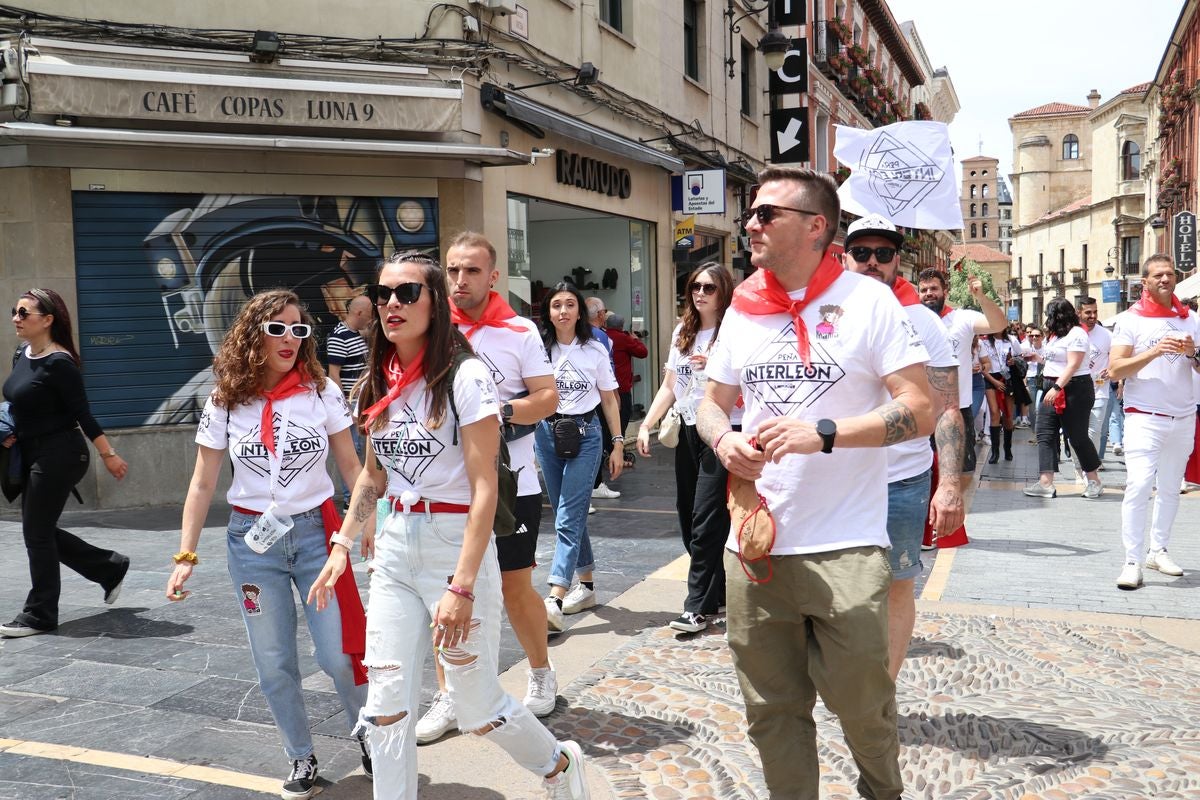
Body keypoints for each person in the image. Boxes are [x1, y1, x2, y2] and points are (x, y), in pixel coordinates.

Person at [307, 253, 591, 799]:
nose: (391, 303)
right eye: (383, 292)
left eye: (407, 293)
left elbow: (485, 487)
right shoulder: (377, 378)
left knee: (476, 706)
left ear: (435, 304)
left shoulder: (468, 376)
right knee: (386, 703)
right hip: (393, 547)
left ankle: (558, 766)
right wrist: (343, 542)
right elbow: (372, 475)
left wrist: (461, 586)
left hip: (454, 548)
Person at [698, 166, 934, 798]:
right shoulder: (744, 308)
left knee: (863, 707)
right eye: (751, 213)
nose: (750, 223)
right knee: (772, 712)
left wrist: (823, 433)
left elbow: (920, 408)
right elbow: (711, 402)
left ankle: (882, 790)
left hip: (847, 547)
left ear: (814, 227)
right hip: (755, 547)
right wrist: (724, 440)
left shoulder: (868, 302)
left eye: (766, 213)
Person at [166, 289, 369, 799]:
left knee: (338, 654)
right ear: (254, 332)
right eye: (277, 328)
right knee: (274, 660)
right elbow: (202, 483)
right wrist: (186, 554)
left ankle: (370, 733)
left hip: (317, 536)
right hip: (251, 543)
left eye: (298, 330)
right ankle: (300, 756)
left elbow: (351, 467)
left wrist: (365, 526)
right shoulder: (226, 399)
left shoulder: (322, 392)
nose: (289, 339)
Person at [414, 232, 561, 745]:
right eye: (452, 270)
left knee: (516, 587)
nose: (460, 280)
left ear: (492, 275)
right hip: (446, 486)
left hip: (510, 481)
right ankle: (449, 695)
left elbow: (547, 398)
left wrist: (498, 412)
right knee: (443, 591)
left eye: (471, 271)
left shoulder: (518, 331)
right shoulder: (430, 331)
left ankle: (541, 672)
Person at [843, 215, 965, 680]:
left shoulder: (923, 323)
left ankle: (880, 694)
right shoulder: (823, 316)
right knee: (832, 589)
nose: (873, 262)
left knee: (897, 587)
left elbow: (948, 407)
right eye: (862, 253)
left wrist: (950, 485)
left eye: (884, 253)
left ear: (899, 261)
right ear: (844, 256)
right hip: (836, 478)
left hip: (902, 480)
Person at [0, 288, 131, 638]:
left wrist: (109, 455)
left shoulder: (60, 363)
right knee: (37, 530)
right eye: (15, 311)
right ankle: (109, 567)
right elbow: (20, 403)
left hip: (61, 454)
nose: (16, 318)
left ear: (47, 320)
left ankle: (40, 614)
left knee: (36, 533)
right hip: (31, 451)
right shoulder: (21, 353)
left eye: (23, 313)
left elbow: (82, 414)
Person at [636, 262, 739, 634]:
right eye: (694, 286)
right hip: (687, 430)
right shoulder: (684, 330)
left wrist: (716, 366)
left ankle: (695, 606)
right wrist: (646, 425)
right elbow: (669, 385)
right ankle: (717, 593)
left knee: (706, 517)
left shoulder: (735, 332)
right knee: (687, 514)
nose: (699, 294)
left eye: (709, 288)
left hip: (723, 430)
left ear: (724, 292)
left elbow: (749, 384)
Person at [1108, 254, 1199, 589]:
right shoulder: (1130, 320)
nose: (1165, 279)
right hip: (1144, 416)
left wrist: (1193, 354)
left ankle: (1158, 550)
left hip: (1184, 415)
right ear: (1143, 282)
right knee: (1139, 485)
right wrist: (1155, 351)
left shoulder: (1191, 319)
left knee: (1172, 488)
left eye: (1170, 274)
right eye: (1158, 275)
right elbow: (1116, 369)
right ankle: (1131, 561)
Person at [536, 284, 624, 631]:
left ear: (579, 311)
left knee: (568, 518)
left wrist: (618, 443)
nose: (563, 311)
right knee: (565, 514)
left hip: (586, 437)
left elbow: (609, 399)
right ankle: (585, 586)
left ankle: (555, 596)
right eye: (556, 305)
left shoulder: (595, 348)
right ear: (548, 312)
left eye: (570, 304)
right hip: (547, 435)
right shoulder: (540, 350)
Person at [917, 269, 1008, 493]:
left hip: (957, 410)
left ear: (945, 291)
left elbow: (998, 324)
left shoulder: (962, 317)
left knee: (963, 473)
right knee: (921, 474)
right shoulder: (910, 320)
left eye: (934, 289)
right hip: (921, 411)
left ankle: (955, 519)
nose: (929, 293)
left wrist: (981, 297)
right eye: (924, 290)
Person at [1023, 298, 1103, 500]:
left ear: (1059, 316)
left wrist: (1058, 387)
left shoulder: (1077, 334)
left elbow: (1073, 364)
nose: (1048, 320)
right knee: (1044, 432)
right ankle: (1045, 482)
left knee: (1077, 436)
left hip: (1074, 387)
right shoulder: (1055, 336)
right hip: (1053, 384)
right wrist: (1038, 359)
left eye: (1050, 315)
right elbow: (1055, 360)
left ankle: (1094, 481)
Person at [327, 293, 374, 507]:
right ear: (359, 313)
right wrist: (344, 403)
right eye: (370, 313)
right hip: (350, 400)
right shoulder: (339, 337)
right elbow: (333, 373)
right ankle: (349, 499)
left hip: (362, 399)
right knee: (352, 449)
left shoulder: (357, 334)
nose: (372, 317)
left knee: (362, 447)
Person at [584, 297, 621, 501]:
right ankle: (593, 485)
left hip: (588, 398)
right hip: (598, 397)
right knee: (596, 442)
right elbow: (607, 373)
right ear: (600, 314)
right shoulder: (600, 336)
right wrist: (615, 398)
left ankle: (593, 485)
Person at [604, 312, 648, 467]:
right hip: (621, 388)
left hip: (604, 387)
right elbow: (643, 353)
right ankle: (617, 453)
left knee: (606, 422)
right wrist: (636, 339)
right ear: (621, 326)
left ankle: (608, 451)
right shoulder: (623, 338)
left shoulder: (603, 336)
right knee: (621, 421)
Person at [1077, 297, 1113, 471]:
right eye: (1088, 312)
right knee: (1076, 433)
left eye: (1095, 312)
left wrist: (1111, 369)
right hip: (1076, 392)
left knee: (1095, 431)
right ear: (1079, 313)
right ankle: (1078, 466)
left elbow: (1116, 357)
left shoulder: (1106, 334)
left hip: (1100, 390)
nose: (1092, 316)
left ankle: (1090, 469)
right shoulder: (1073, 333)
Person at [979, 332, 1015, 464]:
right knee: (994, 412)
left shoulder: (1011, 340)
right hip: (991, 378)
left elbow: (1020, 357)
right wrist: (994, 382)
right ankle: (995, 452)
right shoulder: (984, 342)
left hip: (1008, 378)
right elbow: (983, 365)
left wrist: (1014, 361)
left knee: (1008, 415)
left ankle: (1008, 448)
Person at [1021, 326, 1045, 435]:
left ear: (1042, 337)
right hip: (1031, 379)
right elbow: (1023, 366)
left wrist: (1038, 358)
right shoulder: (1025, 348)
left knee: (1041, 407)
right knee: (1033, 408)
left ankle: (1043, 432)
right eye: (1031, 335)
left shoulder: (1047, 348)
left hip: (1044, 379)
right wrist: (1024, 382)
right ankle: (1035, 433)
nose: (1034, 337)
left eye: (1037, 335)